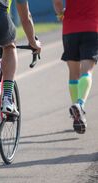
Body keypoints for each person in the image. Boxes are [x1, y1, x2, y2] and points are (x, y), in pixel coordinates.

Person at [52, 0, 98, 134]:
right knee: (87, 71)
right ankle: (80, 104)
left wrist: (60, 15)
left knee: (73, 73)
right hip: (91, 27)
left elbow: (56, 2)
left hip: (70, 28)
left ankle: (77, 115)